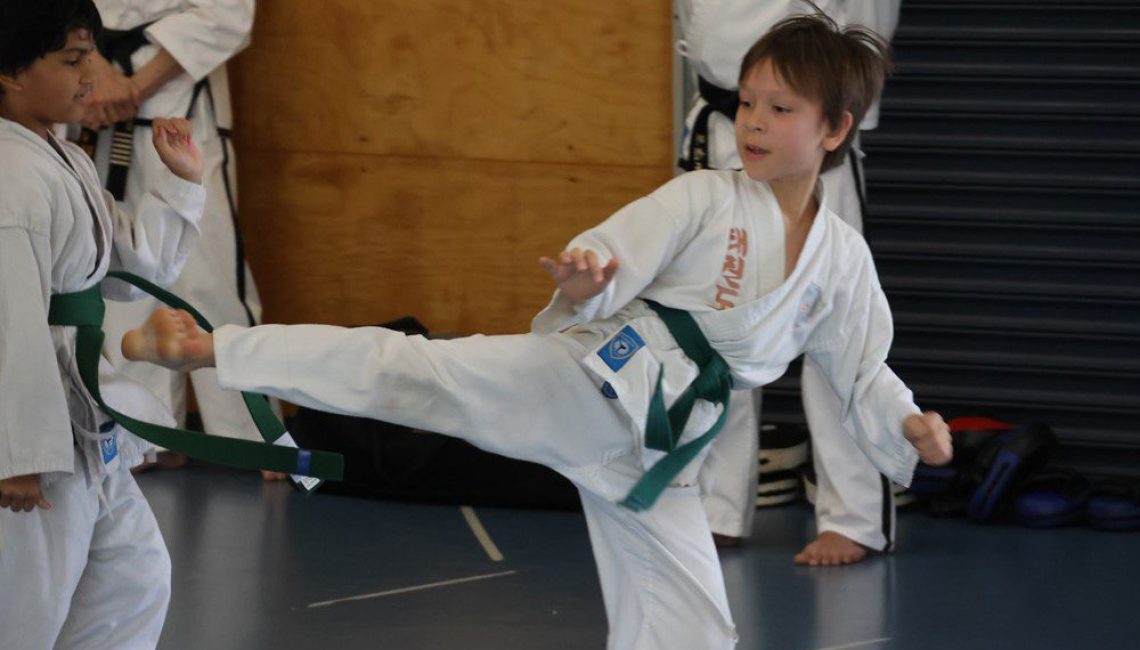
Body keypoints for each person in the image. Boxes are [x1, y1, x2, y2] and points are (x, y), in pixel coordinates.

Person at [122, 12, 951, 649]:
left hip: (663, 454)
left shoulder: (841, 259)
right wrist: (590, 275)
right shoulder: (705, 197)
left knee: (696, 628)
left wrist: (908, 424)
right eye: (749, 103)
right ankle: (216, 347)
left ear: (836, 130)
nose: (756, 122)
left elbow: (862, 367)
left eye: (781, 108)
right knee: (412, 372)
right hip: (593, 382)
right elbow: (617, 246)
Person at [0, 1, 205, 647]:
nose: (94, 72)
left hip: (83, 413)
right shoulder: (9, 179)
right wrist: (19, 455)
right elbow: (10, 322)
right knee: (26, 607)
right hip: (36, 432)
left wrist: (179, 186)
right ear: (9, 73)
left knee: (133, 577)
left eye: (92, 53)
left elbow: (123, 271)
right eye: (72, 58)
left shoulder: (61, 156)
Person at [678, 0, 904, 564]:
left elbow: (868, 18)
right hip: (724, 122)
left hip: (810, 137)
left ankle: (854, 517)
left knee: (836, 323)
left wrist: (836, 126)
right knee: (712, 323)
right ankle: (716, 507)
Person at [73, 0, 271, 474]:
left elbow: (228, 13)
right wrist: (92, 64)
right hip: (87, 97)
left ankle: (247, 432)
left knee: (209, 274)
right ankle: (146, 431)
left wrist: (130, 88)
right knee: (118, 271)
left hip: (179, 102)